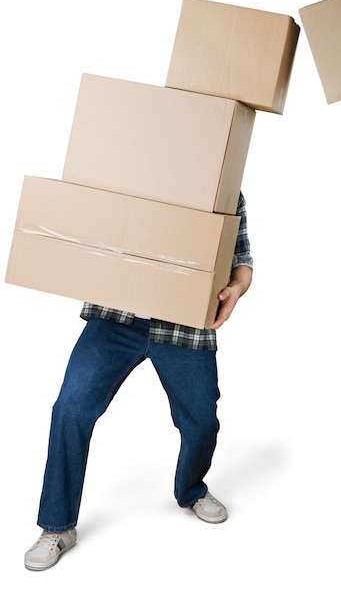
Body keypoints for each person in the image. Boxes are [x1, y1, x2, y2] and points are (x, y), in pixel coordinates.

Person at [24, 192, 253, 571]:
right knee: (70, 408)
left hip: (185, 325)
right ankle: (57, 526)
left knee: (201, 422)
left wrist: (236, 290)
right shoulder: (130, 168)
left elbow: (242, 260)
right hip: (116, 317)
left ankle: (191, 490)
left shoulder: (223, 187)